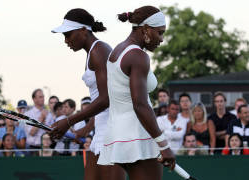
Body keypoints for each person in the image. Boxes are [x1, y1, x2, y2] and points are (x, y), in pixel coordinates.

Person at [97, 6, 175, 180]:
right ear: (146, 29)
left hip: (118, 134)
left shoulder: (117, 50)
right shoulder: (138, 56)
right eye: (160, 33)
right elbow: (140, 104)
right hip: (136, 134)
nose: (161, 39)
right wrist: (163, 145)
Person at [50, 8, 125, 180]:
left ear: (84, 31)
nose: (66, 40)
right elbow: (100, 99)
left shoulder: (99, 51)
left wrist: (68, 121)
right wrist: (85, 129)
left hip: (114, 131)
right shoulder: (94, 51)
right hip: (102, 128)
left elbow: (106, 99)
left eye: (68, 35)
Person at [24, 89, 51, 153]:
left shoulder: (49, 114)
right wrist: (41, 119)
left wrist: (45, 124)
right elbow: (32, 133)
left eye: (43, 96)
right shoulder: (28, 114)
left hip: (46, 149)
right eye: (40, 97)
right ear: (34, 99)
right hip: (32, 149)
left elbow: (51, 133)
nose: (43, 99)